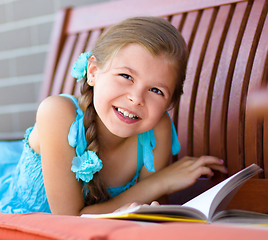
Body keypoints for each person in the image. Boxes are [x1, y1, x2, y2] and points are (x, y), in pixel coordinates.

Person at [0, 16, 227, 215]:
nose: (137, 98)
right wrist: (160, 182)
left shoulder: (157, 130)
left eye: (156, 90)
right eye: (126, 76)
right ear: (93, 72)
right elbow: (69, 219)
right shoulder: (57, 113)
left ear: (169, 103)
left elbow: (153, 210)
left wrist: (155, 196)